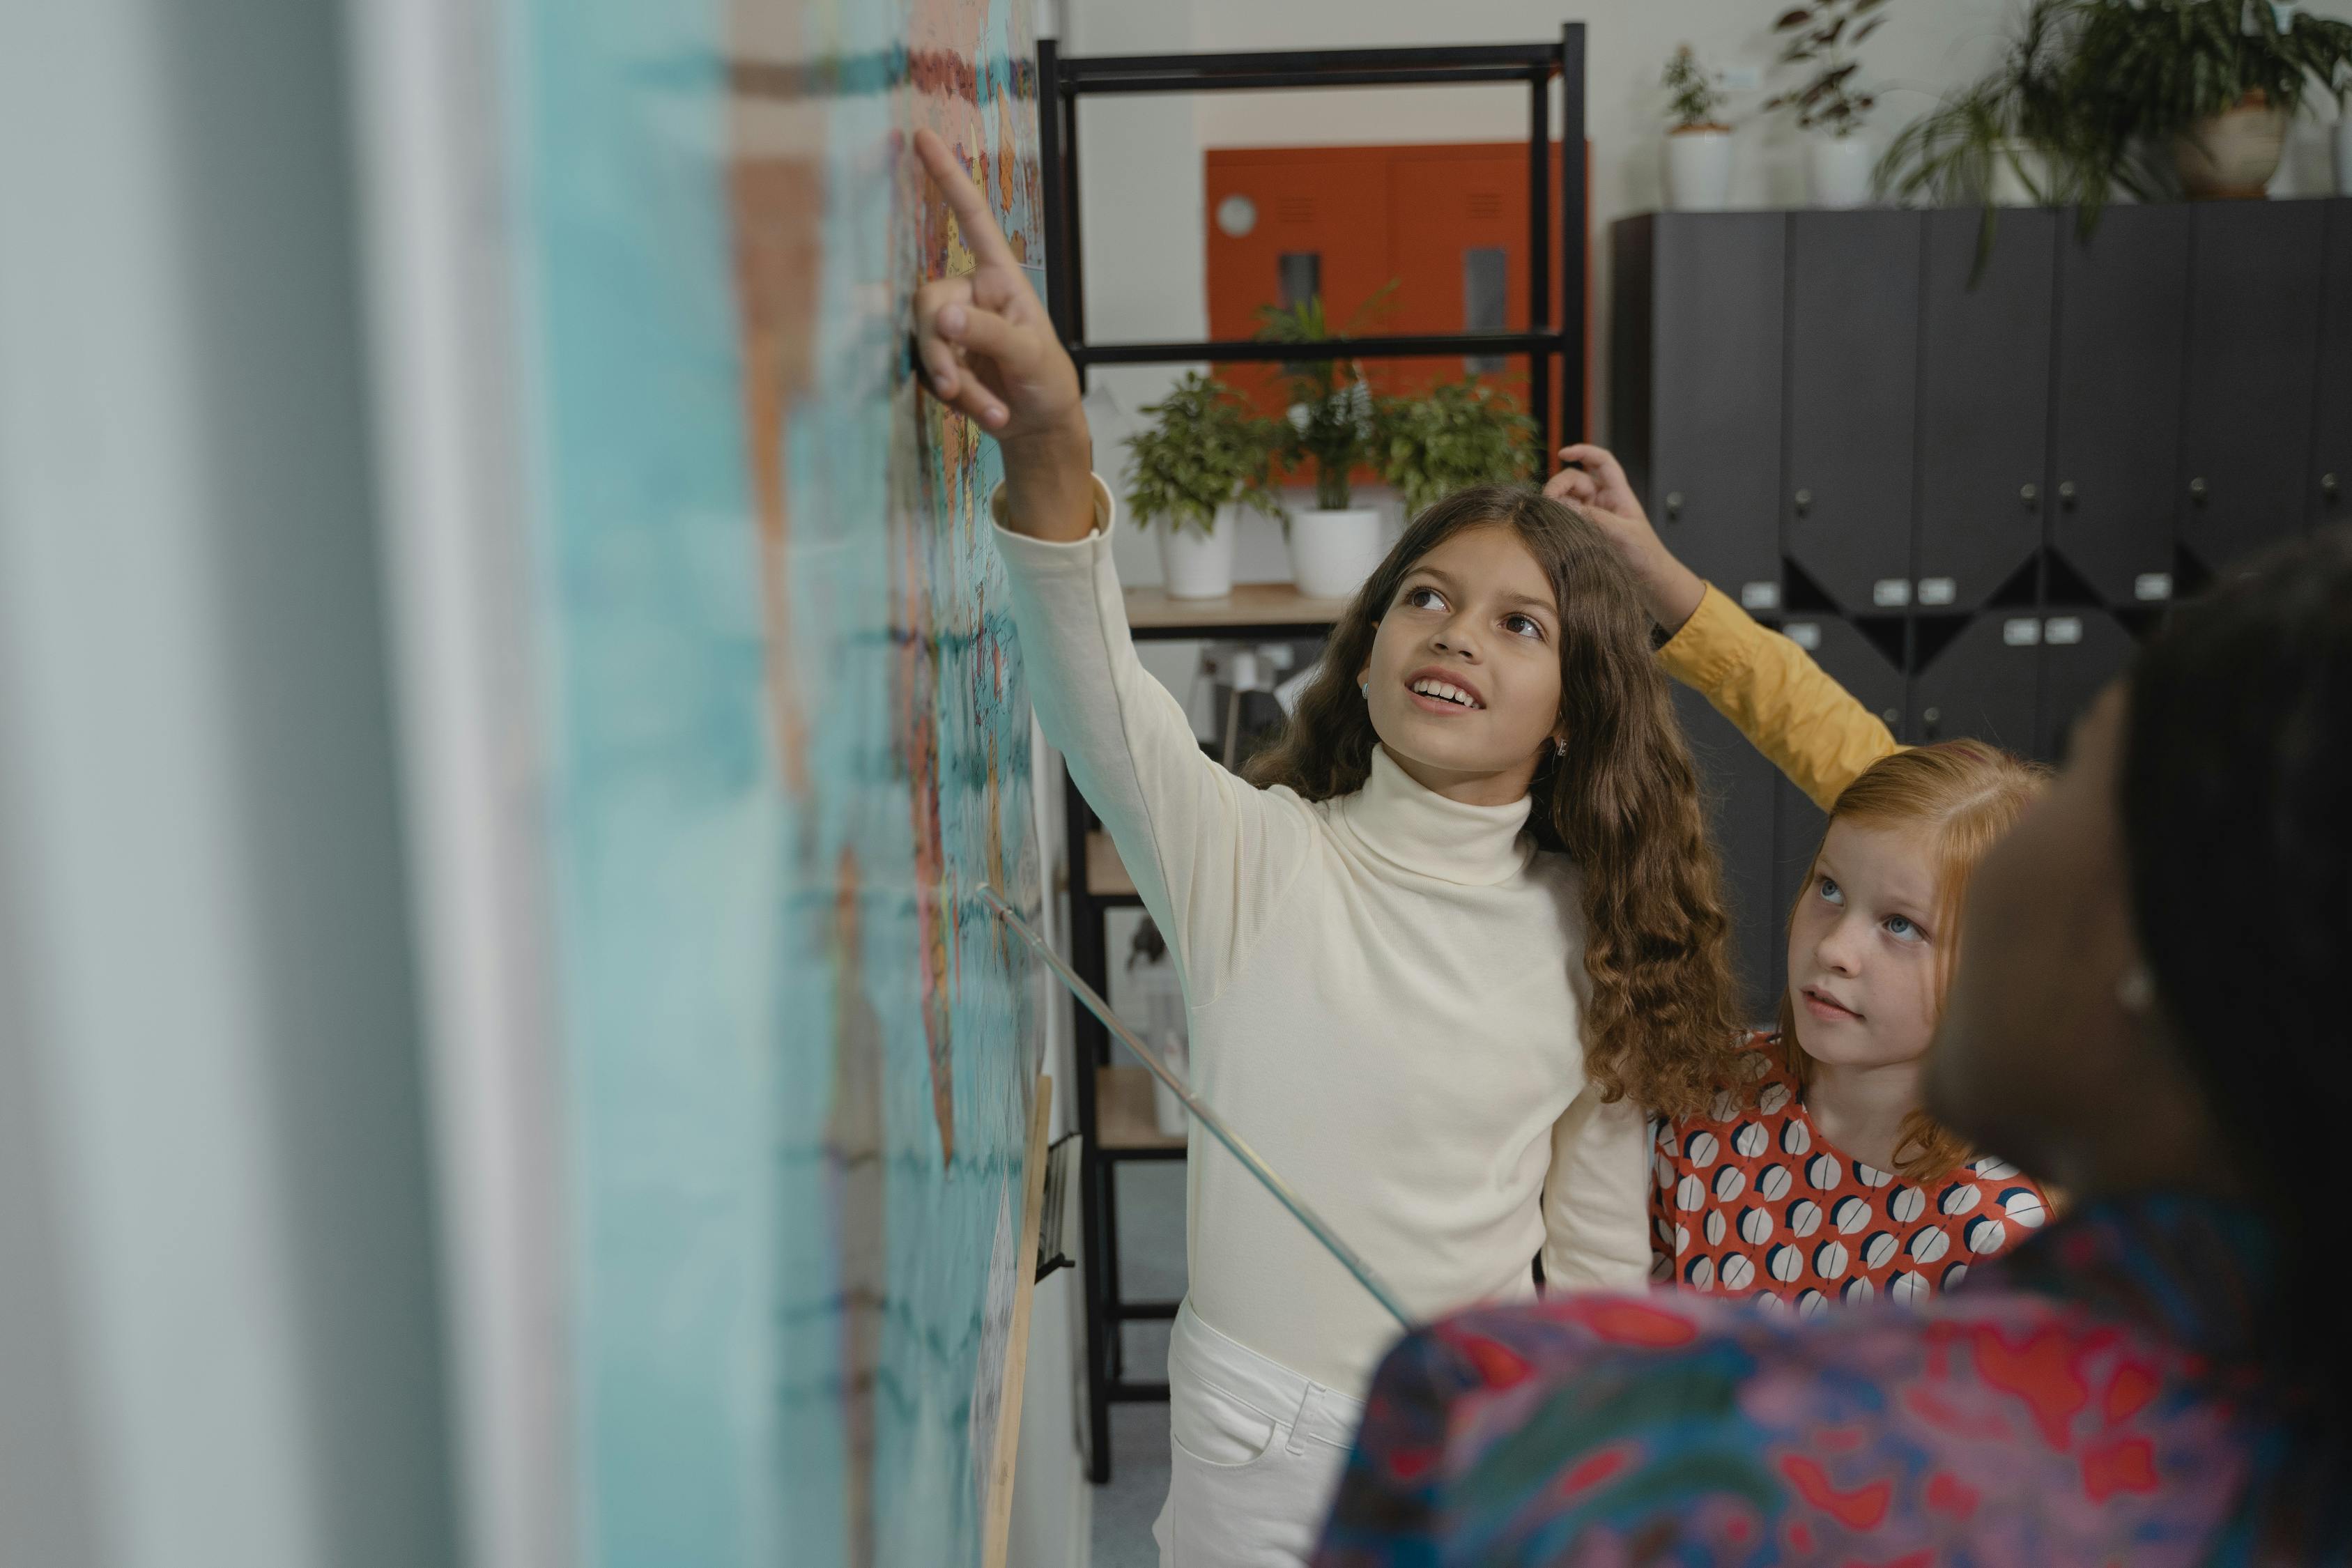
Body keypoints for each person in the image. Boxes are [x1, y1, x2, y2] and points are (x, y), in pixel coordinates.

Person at [908, 130, 1744, 1565]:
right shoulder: (1261, 860)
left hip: (1477, 1439)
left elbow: (1597, 1258)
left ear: (1572, 716)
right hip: (1261, 1441)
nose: (1456, 635)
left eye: (1516, 624)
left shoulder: (1595, 929)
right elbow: (1098, 696)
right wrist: (1047, 439)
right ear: (1363, 659)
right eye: (1426, 597)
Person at [1313, 522, 2352, 1564]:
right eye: (1827, 890)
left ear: (2152, 953)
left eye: (2081, 770)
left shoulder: (1489, 1428)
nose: (1845, 946)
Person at [1537, 445, 2054, 1307]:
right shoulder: (1709, 1105)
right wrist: (1658, 577)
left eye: (1900, 925)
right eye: (1827, 890)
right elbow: (1812, 722)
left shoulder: (1995, 1239)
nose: (1838, 949)